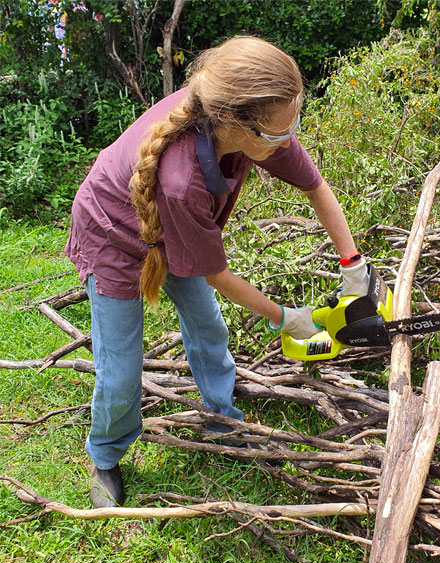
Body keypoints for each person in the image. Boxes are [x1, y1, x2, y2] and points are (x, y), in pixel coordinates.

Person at [65, 36, 370, 508]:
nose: (288, 140)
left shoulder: (262, 126)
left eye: (294, 125)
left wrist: (354, 266)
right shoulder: (181, 177)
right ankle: (105, 455)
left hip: (174, 228)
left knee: (208, 325)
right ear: (233, 121)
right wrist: (287, 317)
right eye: (277, 134)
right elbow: (217, 275)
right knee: (121, 365)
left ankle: (222, 421)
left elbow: (316, 186)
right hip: (114, 232)